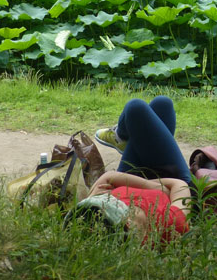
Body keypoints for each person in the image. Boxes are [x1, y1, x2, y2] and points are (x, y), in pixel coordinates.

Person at [79, 96, 192, 240]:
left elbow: (109, 177)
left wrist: (92, 197)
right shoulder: (170, 225)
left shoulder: (106, 210)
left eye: (120, 212)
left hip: (132, 174)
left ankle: (127, 138)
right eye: (128, 223)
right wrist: (155, 187)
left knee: (147, 107)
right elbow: (180, 186)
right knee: (158, 105)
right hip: (171, 174)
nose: (126, 212)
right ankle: (121, 135)